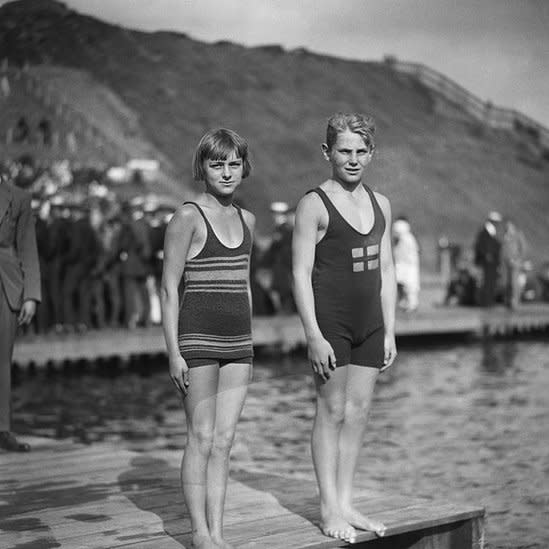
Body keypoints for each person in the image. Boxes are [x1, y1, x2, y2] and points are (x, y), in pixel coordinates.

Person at [292, 112, 397, 543]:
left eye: (360, 152)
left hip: (371, 324)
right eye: (344, 151)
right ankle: (328, 506)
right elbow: (300, 274)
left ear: (371, 154)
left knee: (358, 413)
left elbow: (387, 269)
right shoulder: (314, 204)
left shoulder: (381, 203)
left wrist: (389, 330)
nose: (352, 160)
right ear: (327, 152)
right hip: (330, 324)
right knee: (331, 411)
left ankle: (348, 501)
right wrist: (313, 335)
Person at [161, 128, 255, 549]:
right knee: (200, 436)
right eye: (217, 164)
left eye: (234, 163)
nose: (227, 172)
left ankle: (218, 532)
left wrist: (249, 338)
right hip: (197, 340)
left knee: (224, 440)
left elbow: (244, 283)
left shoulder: (247, 219)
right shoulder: (186, 216)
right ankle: (198, 533)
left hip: (239, 344)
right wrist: (173, 353)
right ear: (202, 167)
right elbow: (167, 288)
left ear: (244, 167)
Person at [0, 171, 41, 451]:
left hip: (8, 284)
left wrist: (31, 295)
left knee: (2, 360)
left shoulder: (19, 197)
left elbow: (27, 247)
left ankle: (2, 430)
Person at [474, 211, 503, 307]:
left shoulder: (492, 231)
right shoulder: (484, 232)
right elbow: (481, 246)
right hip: (487, 262)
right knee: (487, 282)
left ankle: (489, 301)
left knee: (491, 282)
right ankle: (486, 302)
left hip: (493, 262)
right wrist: (487, 255)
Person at [392, 216, 420, 312]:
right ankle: (404, 303)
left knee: (410, 285)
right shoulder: (407, 238)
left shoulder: (406, 238)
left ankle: (412, 304)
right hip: (402, 264)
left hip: (408, 265)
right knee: (400, 284)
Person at [501, 218, 526, 309]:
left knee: (514, 283)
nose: (507, 227)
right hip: (506, 263)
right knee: (507, 283)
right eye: (506, 226)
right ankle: (507, 301)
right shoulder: (505, 235)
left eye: (509, 225)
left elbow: (523, 248)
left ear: (513, 225)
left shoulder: (518, 234)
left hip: (515, 263)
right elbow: (504, 249)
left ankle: (515, 302)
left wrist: (517, 259)